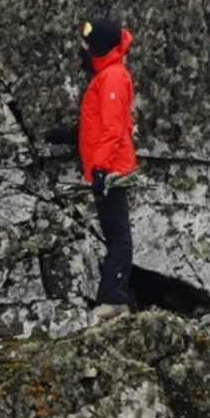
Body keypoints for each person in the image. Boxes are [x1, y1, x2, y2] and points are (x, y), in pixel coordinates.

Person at [77, 16, 137, 320]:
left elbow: (113, 128)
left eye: (87, 43)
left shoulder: (112, 77)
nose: (82, 47)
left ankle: (114, 299)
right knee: (116, 233)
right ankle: (114, 297)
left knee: (118, 235)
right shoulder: (106, 75)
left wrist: (100, 169)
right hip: (107, 166)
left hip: (111, 170)